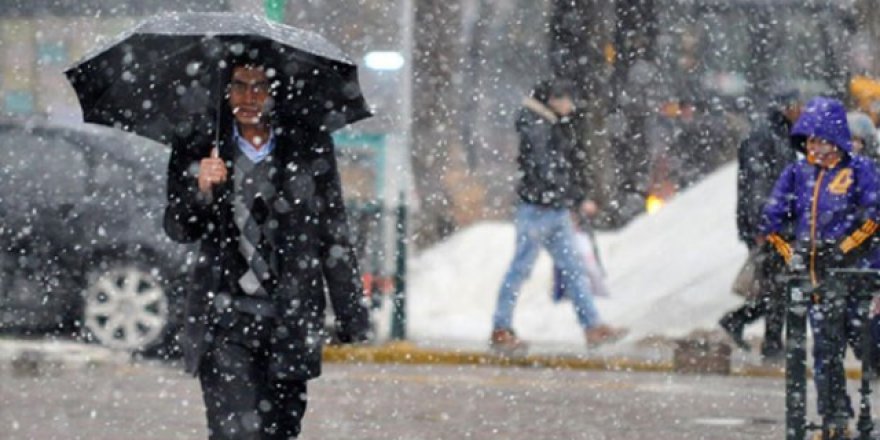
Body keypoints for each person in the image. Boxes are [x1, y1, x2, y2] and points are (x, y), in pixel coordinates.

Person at [163, 59, 370, 439]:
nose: (249, 97)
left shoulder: (307, 147)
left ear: (278, 93)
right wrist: (202, 189)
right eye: (239, 86)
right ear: (224, 92)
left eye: (260, 87)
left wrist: (351, 313)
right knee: (236, 432)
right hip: (225, 320)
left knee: (279, 430)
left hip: (290, 320)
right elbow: (178, 228)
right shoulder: (199, 145)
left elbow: (332, 233)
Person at [761, 97, 880, 431]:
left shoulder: (860, 170)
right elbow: (772, 220)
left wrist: (843, 249)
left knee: (868, 346)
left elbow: (874, 216)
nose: (815, 147)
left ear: (837, 138)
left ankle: (868, 419)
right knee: (825, 355)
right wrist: (792, 253)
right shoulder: (797, 173)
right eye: (810, 140)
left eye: (821, 139)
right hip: (815, 284)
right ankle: (835, 418)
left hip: (857, 279)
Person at [490, 79, 626, 354]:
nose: (571, 106)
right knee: (525, 269)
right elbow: (549, 168)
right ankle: (501, 328)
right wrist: (574, 198)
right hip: (540, 209)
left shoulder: (543, 124)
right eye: (567, 100)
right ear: (553, 99)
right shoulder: (538, 127)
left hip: (551, 208)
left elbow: (553, 168)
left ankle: (592, 326)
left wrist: (568, 198)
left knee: (571, 270)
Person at [719, 89, 802, 359]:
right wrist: (762, 226)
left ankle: (742, 324)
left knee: (777, 284)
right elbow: (757, 185)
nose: (802, 112)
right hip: (769, 225)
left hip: (776, 223)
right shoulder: (766, 136)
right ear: (787, 106)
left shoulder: (781, 135)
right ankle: (770, 343)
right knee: (778, 284)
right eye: (799, 106)